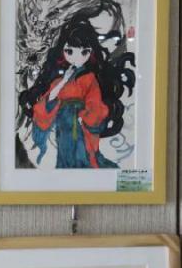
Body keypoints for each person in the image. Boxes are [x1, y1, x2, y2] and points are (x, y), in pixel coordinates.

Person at [20, 19, 132, 168]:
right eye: (70, 51)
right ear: (62, 51)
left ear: (91, 53)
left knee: (82, 158)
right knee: (64, 159)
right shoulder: (59, 79)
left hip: (80, 127)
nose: (77, 57)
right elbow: (48, 100)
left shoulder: (90, 78)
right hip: (63, 126)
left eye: (84, 52)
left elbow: (96, 106)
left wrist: (83, 116)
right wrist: (64, 80)